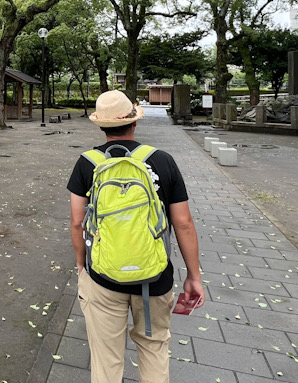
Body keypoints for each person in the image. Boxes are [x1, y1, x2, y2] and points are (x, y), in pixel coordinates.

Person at [67, 90, 203, 383]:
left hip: (102, 275)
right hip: (155, 276)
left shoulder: (86, 163)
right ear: (134, 123)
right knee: (154, 349)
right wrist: (194, 275)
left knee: (105, 359)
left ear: (101, 126)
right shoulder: (163, 161)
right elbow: (184, 223)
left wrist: (82, 268)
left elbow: (77, 223)